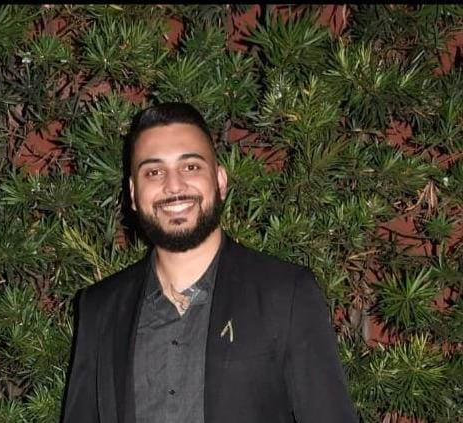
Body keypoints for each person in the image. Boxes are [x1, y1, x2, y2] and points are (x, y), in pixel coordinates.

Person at [62, 102, 358, 423]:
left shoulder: (285, 294)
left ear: (220, 181)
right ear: (134, 193)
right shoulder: (100, 307)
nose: (174, 186)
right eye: (154, 172)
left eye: (190, 167)